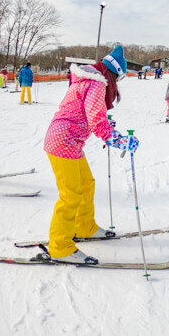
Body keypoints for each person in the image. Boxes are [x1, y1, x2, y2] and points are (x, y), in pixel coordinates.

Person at [43, 45, 136, 264]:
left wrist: (107, 126)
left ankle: (84, 226)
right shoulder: (96, 84)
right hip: (63, 141)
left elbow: (87, 112)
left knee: (86, 183)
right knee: (71, 194)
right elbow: (96, 121)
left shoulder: (88, 80)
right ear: (113, 75)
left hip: (68, 140)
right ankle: (60, 247)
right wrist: (119, 140)